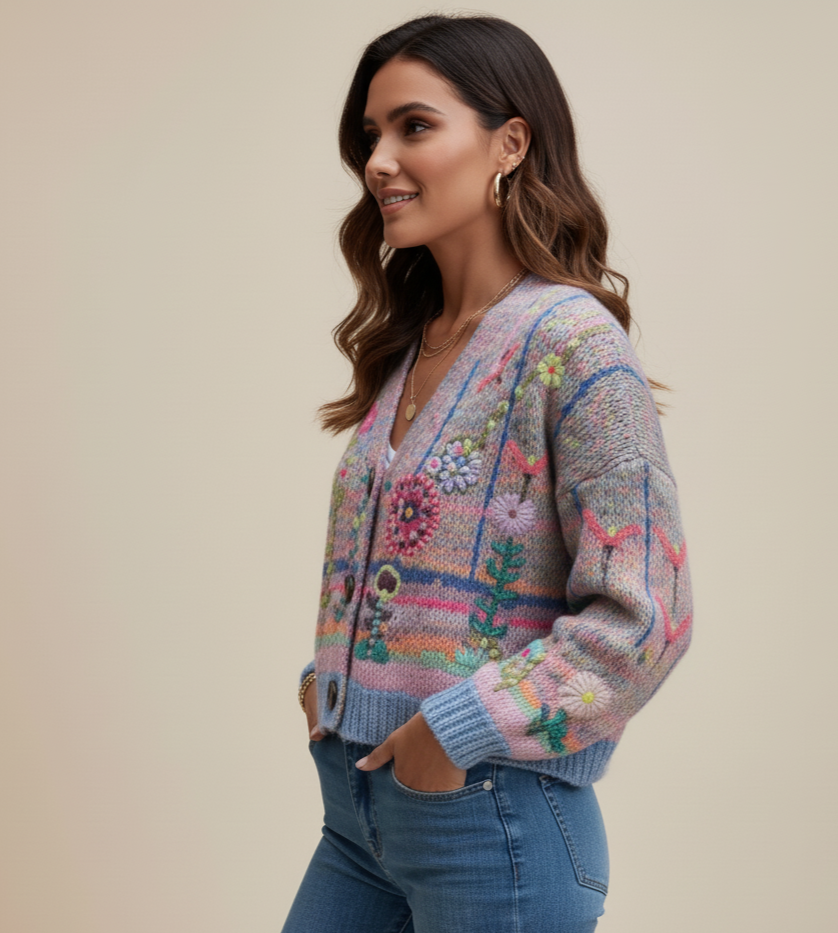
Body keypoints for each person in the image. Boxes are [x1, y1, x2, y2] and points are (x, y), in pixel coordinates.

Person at [281, 13, 692, 933]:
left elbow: (646, 617)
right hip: (355, 815)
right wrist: (329, 679)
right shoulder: (407, 350)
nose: (379, 160)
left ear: (509, 142)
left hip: (491, 821)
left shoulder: (575, 345)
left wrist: (454, 727)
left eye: (413, 127)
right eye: (369, 136)